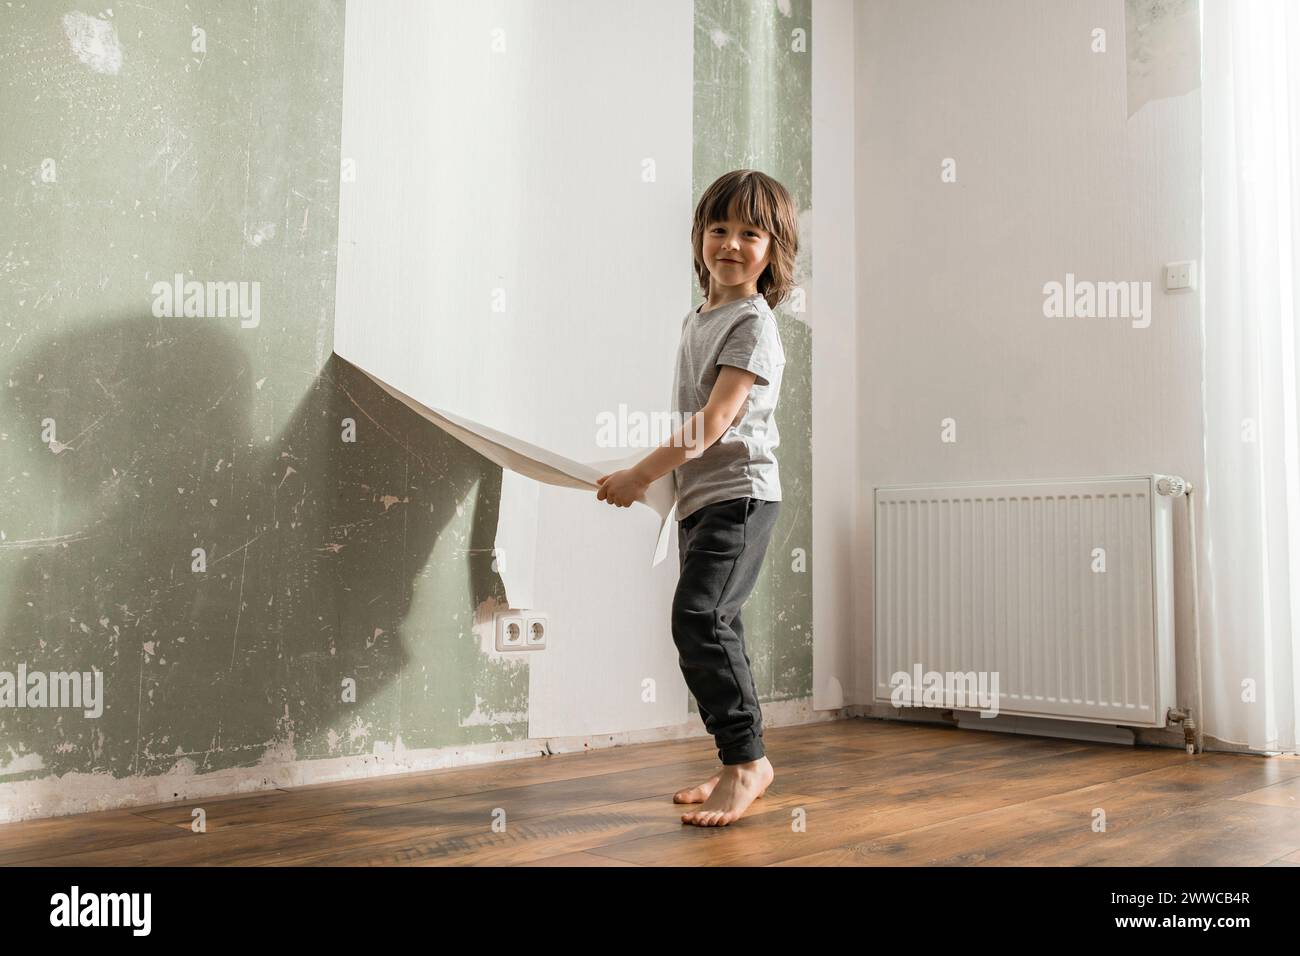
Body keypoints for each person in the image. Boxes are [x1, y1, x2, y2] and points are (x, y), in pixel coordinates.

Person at [596, 169, 797, 826]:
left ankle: (747, 764)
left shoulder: (751, 322)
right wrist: (665, 484)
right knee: (718, 625)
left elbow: (713, 423)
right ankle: (740, 759)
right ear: (698, 238)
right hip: (702, 501)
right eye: (719, 229)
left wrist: (637, 473)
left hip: (740, 498)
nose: (732, 244)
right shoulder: (700, 316)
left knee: (699, 621)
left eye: (751, 233)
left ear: (774, 251)